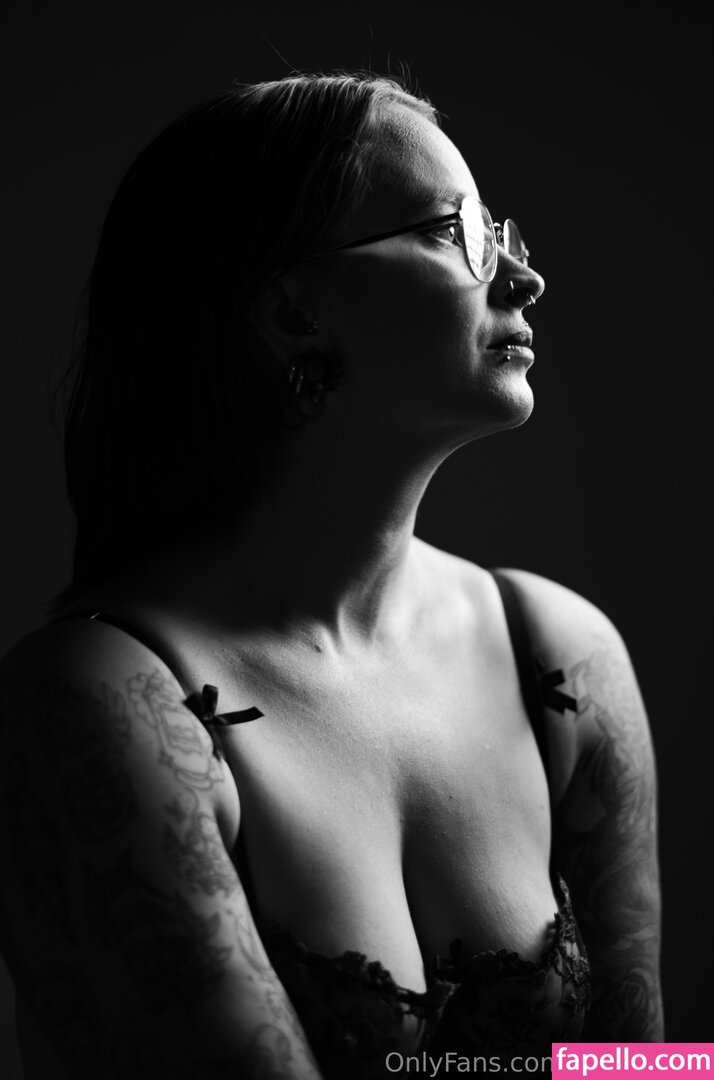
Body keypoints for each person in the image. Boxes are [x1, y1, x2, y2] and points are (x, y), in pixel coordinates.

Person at [0, 72, 663, 1079]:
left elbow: (646, 1066)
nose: (524, 278)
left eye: (500, 232)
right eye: (453, 230)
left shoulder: (561, 658)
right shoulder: (102, 702)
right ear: (292, 308)